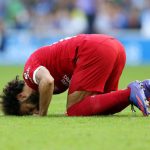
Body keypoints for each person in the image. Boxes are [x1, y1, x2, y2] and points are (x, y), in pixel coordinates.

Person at [0, 34, 150, 116]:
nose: (34, 111)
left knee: (74, 110)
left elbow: (48, 81)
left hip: (95, 51)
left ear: (21, 97)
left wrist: (42, 114)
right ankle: (146, 88)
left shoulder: (29, 73)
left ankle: (133, 90)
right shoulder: (36, 77)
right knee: (104, 106)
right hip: (113, 47)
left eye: (29, 110)